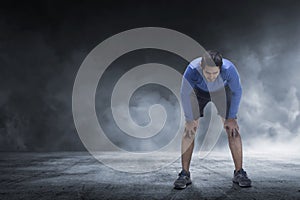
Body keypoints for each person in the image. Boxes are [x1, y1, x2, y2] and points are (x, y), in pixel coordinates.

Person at [174, 50, 251, 189]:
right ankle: (184, 174)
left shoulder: (229, 69)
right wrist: (189, 119)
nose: (211, 76)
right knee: (189, 131)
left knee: (232, 130)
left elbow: (237, 91)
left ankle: (239, 172)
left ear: (220, 69)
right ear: (201, 67)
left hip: (222, 91)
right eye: (208, 73)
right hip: (198, 92)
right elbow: (184, 93)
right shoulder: (192, 69)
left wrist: (232, 117)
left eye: (215, 73)